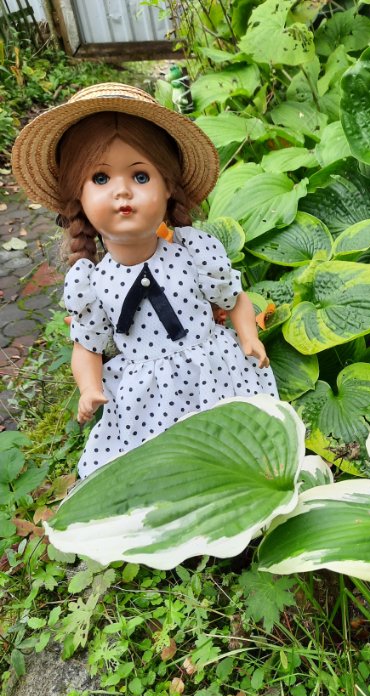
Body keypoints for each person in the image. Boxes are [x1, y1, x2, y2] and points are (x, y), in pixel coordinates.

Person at [11, 83, 277, 478]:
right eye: (100, 178)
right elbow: (87, 346)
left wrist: (248, 337)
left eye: (140, 175)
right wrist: (89, 387)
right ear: (78, 198)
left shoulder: (195, 251)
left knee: (235, 449)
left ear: (168, 186)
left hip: (216, 372)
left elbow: (232, 297)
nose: (121, 191)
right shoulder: (92, 282)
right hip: (147, 396)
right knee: (161, 469)